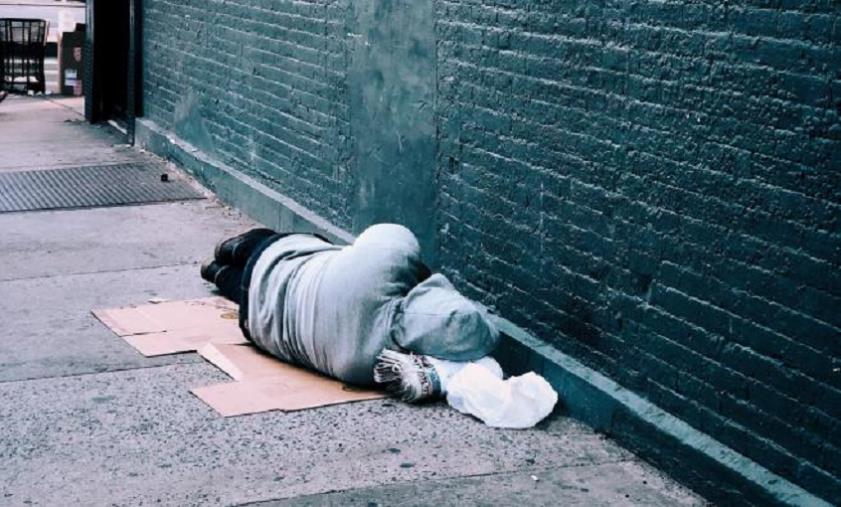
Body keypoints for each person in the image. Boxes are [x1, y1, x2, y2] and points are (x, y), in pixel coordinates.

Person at [201, 224, 500, 398]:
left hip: (279, 257)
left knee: (261, 248)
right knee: (243, 285)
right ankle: (215, 272)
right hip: (258, 323)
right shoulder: (369, 366)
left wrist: (421, 278)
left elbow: (391, 232)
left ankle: (227, 250)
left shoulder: (384, 264)